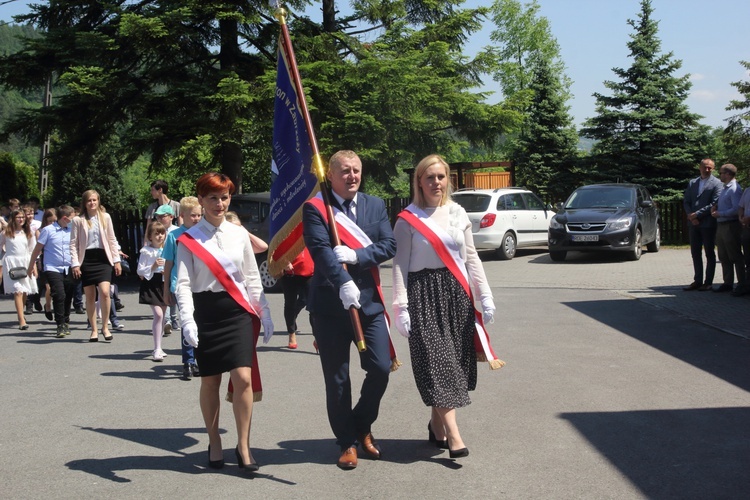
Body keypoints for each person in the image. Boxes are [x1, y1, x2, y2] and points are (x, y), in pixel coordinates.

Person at [392, 154, 503, 460]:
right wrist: (401, 307)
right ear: (419, 181)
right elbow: (399, 265)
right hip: (423, 296)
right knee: (438, 363)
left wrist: (486, 296)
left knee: (453, 363)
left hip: (456, 295)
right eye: (429, 177)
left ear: (447, 180)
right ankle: (454, 437)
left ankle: (436, 425)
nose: (436, 183)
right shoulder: (407, 220)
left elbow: (471, 258)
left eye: (441, 177)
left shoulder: (458, 213)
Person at [302, 150, 397, 470]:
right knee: (338, 379)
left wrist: (357, 256)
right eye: (344, 171)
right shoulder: (316, 208)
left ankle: (361, 423)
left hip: (368, 304)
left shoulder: (375, 205)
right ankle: (346, 442)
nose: (352, 176)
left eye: (356, 170)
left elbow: (389, 245)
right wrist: (342, 281)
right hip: (329, 306)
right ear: (330, 175)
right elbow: (320, 249)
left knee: (381, 367)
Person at [174, 172, 273, 473]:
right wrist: (187, 320)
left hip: (237, 311)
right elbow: (183, 283)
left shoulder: (238, 234)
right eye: (213, 197)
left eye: (225, 197)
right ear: (201, 200)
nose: (220, 203)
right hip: (206, 312)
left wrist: (264, 311)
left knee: (243, 377)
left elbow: (251, 276)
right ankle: (214, 439)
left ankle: (243, 444)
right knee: (211, 380)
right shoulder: (188, 239)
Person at [70, 190, 122, 342]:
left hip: (103, 258)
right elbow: (73, 244)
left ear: (98, 201)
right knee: (90, 296)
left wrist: (116, 260)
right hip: (86, 258)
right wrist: (75, 264)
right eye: (89, 201)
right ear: (84, 203)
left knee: (105, 292)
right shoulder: (78, 220)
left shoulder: (105, 217)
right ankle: (94, 329)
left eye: (94, 200)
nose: (92, 203)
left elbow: (112, 239)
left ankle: (105, 327)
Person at [163, 196, 202, 380]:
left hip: (201, 284)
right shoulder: (174, 235)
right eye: (193, 215)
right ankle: (188, 361)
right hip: (180, 285)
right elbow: (168, 263)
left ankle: (200, 359)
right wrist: (166, 290)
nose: (196, 219)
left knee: (200, 322)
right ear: (182, 215)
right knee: (187, 321)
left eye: (199, 215)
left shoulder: (204, 233)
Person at [27, 205, 77, 338]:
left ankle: (66, 319)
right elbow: (37, 249)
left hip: (69, 267)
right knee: (59, 294)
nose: (74, 220)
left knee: (68, 295)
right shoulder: (47, 230)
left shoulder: (72, 230)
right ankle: (60, 324)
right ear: (65, 218)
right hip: (52, 267)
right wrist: (31, 266)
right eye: (72, 218)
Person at [683, 158, 723, 292]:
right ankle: (697, 280)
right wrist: (691, 216)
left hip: (708, 224)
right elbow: (686, 201)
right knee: (695, 253)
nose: (707, 170)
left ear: (713, 169)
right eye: (705, 167)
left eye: (710, 168)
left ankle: (708, 282)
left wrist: (697, 215)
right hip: (693, 224)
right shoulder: (692, 182)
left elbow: (714, 203)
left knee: (709, 253)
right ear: (699, 167)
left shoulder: (717, 183)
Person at [710, 164, 746, 295]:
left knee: (735, 255)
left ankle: (742, 283)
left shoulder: (735, 189)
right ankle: (727, 282)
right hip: (721, 225)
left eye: (721, 173)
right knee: (723, 256)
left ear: (728, 174)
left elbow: (737, 209)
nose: (720, 175)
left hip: (731, 225)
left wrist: (721, 213)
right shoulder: (725, 188)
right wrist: (715, 207)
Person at [1, 209, 38, 329]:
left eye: (23, 217)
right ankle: (21, 319)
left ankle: (21, 313)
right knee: (17, 290)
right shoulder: (6, 232)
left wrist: (34, 266)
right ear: (13, 218)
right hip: (11, 263)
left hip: (26, 262)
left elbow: (32, 251)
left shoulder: (28, 232)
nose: (21, 219)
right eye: (18, 217)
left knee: (24, 291)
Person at [138, 221, 169, 361]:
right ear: (150, 236)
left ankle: (159, 346)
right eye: (156, 234)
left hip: (163, 284)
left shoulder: (167, 249)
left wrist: (166, 271)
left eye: (162, 233)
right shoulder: (146, 251)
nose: (160, 236)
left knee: (162, 315)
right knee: (158, 314)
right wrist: (153, 266)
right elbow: (140, 270)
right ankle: (156, 349)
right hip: (151, 283)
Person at [280, 248, 313, 349]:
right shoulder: (286, 232)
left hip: (309, 271)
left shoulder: (312, 231)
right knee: (290, 304)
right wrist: (283, 261)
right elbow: (276, 248)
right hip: (290, 272)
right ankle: (291, 333)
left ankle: (318, 336)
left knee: (314, 306)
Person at [154, 204, 180, 335]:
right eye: (157, 216)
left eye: (162, 216)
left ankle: (173, 318)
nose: (159, 219)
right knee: (166, 292)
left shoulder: (176, 231)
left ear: (171, 217)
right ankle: (168, 320)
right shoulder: (155, 230)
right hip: (160, 267)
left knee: (173, 292)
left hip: (173, 267)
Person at [36, 208, 58, 321]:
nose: (52, 223)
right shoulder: (42, 230)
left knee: (57, 287)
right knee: (49, 287)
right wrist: (38, 261)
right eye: (50, 221)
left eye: (55, 221)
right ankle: (48, 305)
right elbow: (39, 248)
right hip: (46, 260)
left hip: (58, 260)